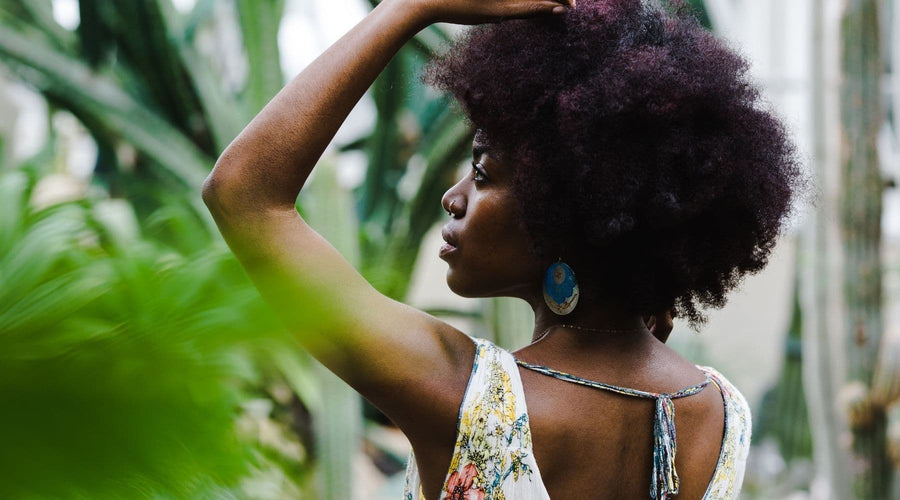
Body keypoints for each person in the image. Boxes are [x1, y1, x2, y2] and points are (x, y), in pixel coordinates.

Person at [202, 0, 801, 498]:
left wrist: (411, 8)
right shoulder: (721, 414)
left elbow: (245, 196)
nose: (452, 197)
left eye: (483, 172)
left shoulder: (467, 398)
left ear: (564, 210)